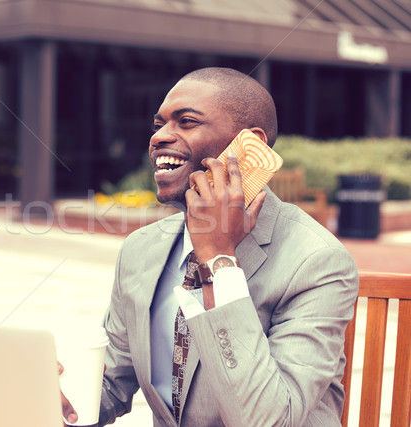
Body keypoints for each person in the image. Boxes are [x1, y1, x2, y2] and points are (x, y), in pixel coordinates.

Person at [62, 67, 358, 426]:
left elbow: (270, 420)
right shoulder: (140, 249)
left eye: (186, 122)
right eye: (158, 125)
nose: (159, 138)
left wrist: (218, 260)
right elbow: (110, 384)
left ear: (251, 146)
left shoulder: (317, 261)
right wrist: (59, 394)